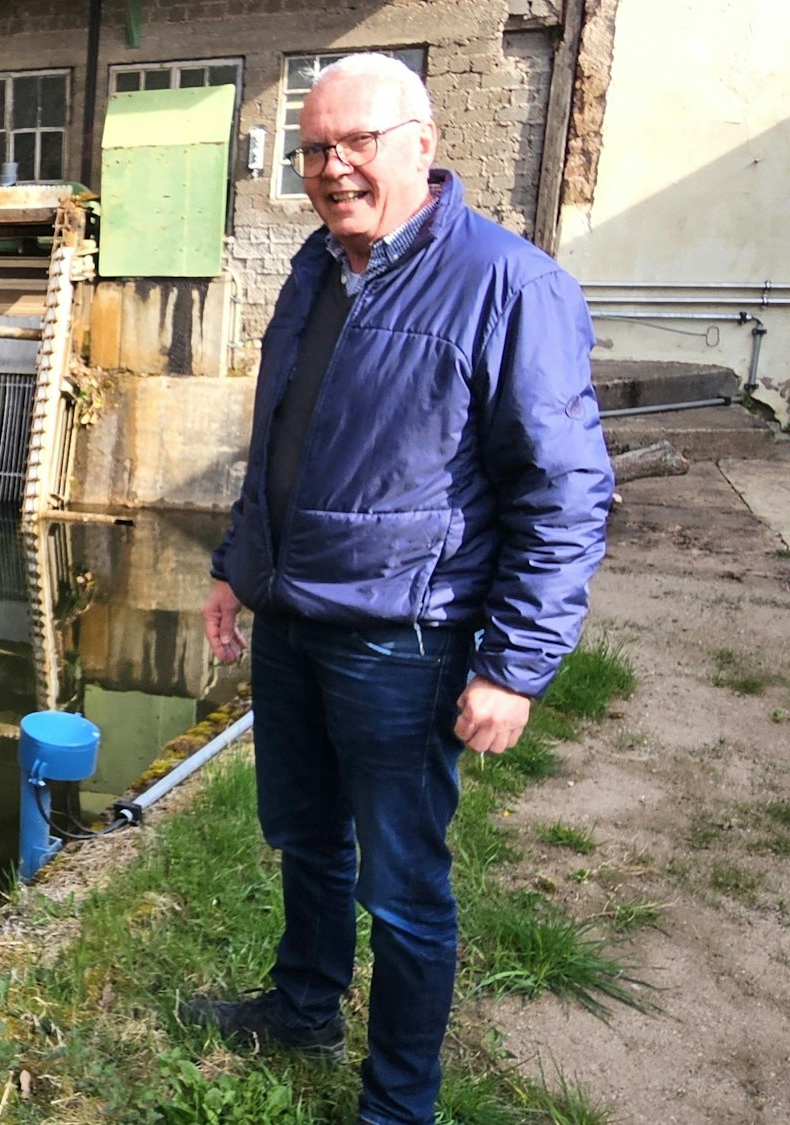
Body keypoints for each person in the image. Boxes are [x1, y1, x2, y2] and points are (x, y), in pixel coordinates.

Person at [180, 53, 612, 1125]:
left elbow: (561, 495)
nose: (331, 169)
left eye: (353, 144)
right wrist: (237, 571)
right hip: (290, 622)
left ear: (419, 144)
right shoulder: (312, 270)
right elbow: (274, 441)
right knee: (303, 837)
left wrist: (511, 668)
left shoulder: (509, 284)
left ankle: (397, 1104)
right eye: (313, 149)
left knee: (404, 890)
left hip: (402, 644)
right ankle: (302, 1006)